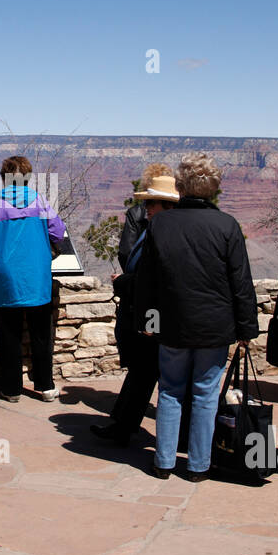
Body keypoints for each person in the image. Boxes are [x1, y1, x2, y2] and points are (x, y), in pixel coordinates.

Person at [136, 153, 258, 480]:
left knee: (170, 389)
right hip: (214, 327)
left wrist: (148, 322)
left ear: (181, 185)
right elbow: (241, 282)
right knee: (205, 393)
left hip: (172, 324)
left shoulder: (160, 224)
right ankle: (198, 466)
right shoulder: (227, 225)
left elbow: (147, 280)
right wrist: (247, 327)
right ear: (214, 186)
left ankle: (163, 462)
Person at [91, 174, 179, 446]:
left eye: (153, 203)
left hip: (158, 313)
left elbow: (154, 277)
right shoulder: (152, 228)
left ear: (168, 206)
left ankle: (133, 430)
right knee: (143, 368)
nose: (147, 208)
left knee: (148, 370)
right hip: (149, 311)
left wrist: (124, 282)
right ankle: (123, 424)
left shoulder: (167, 234)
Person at [0, 156, 68, 402]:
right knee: (40, 333)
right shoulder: (39, 202)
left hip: (5, 277)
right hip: (36, 275)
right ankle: (46, 386)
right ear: (27, 177)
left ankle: (12, 389)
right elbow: (58, 231)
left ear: (4, 178)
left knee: (9, 335)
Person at [117, 163, 173, 271]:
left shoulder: (135, 213)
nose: (146, 206)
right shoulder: (179, 216)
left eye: (150, 202)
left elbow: (126, 253)